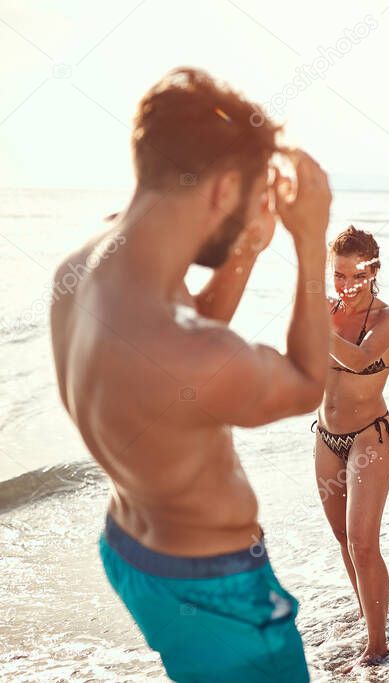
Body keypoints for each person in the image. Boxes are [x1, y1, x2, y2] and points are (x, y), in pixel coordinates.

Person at [49, 68, 332, 682]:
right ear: (225, 186)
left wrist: (246, 252)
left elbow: (180, 332)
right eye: (252, 191)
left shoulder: (90, 264)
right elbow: (309, 381)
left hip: (131, 549)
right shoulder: (190, 353)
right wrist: (311, 240)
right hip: (215, 591)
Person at [313, 226, 389, 670]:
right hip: (325, 436)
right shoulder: (327, 310)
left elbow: (358, 359)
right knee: (342, 538)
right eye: (337, 275)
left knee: (364, 543)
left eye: (355, 276)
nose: (346, 286)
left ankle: (378, 644)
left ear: (373, 271)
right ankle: (373, 615)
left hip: (370, 435)